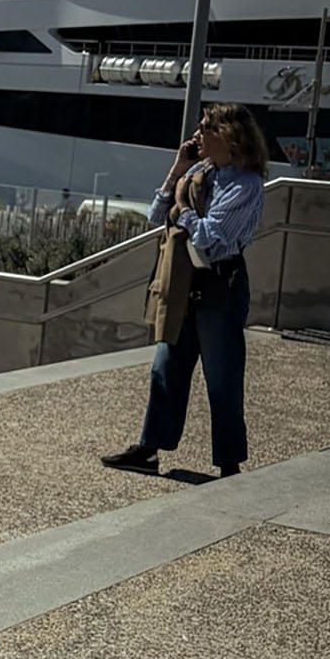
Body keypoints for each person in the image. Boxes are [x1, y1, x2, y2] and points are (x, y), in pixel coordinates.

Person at [103, 101, 270, 480]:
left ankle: (230, 463)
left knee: (223, 375)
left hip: (220, 284)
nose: (197, 134)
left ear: (228, 137)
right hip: (184, 280)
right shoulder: (198, 170)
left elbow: (214, 238)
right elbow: (154, 215)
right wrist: (177, 171)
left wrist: (182, 208)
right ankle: (149, 448)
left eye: (206, 128)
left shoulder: (246, 185)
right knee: (166, 367)